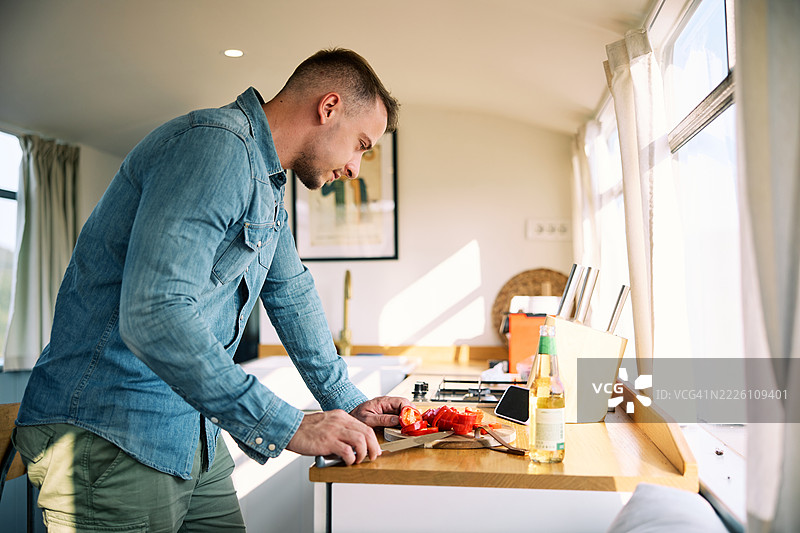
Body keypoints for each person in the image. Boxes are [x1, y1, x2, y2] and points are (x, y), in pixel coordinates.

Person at [13, 48, 408, 532]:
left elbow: (290, 293)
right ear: (328, 109)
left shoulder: (266, 181)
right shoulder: (215, 146)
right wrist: (290, 425)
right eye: (362, 144)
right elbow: (155, 312)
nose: (355, 168)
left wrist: (346, 401)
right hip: (113, 431)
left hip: (190, 430)